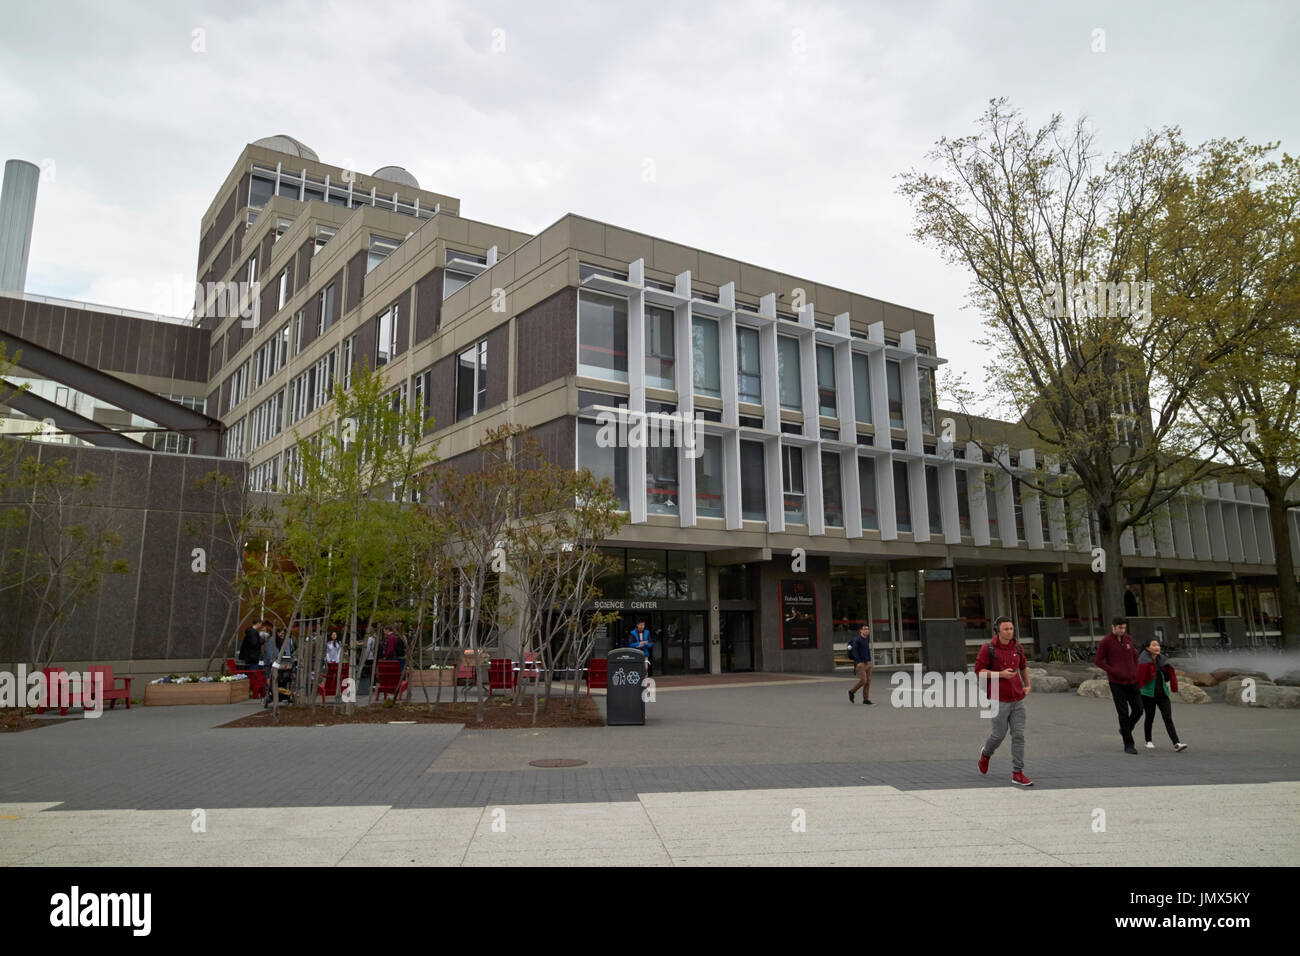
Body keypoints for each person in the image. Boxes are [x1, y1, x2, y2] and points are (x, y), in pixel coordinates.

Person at [975, 616, 1033, 787]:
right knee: (998, 735)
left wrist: (1028, 685)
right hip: (998, 699)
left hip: (1018, 699)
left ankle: (1017, 772)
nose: (1010, 632)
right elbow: (979, 671)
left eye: (1011, 628)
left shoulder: (1018, 648)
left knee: (1019, 736)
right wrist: (1001, 674)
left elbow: (1023, 667)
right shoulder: (988, 649)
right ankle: (986, 754)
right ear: (998, 631)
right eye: (1006, 629)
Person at [1096, 616, 1142, 754]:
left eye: (1124, 628)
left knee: (1139, 709)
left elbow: (1134, 655)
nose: (1122, 630)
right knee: (1123, 712)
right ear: (1113, 627)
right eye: (1120, 628)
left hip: (1132, 680)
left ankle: (1125, 729)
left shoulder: (1128, 639)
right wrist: (1112, 670)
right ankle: (1128, 744)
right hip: (1117, 682)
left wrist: (1134, 669)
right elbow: (1098, 660)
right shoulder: (1106, 642)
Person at [1137, 639, 1188, 752]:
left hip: (1162, 694)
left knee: (1168, 718)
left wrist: (1173, 685)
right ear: (1147, 648)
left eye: (1158, 645)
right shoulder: (1143, 661)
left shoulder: (1162, 660)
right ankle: (1148, 741)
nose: (1157, 647)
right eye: (1154, 645)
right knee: (1150, 717)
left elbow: (1169, 674)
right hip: (1148, 694)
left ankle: (1177, 743)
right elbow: (1139, 677)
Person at [847, 623, 874, 705]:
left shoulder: (867, 639)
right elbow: (855, 651)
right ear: (861, 630)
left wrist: (869, 661)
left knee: (868, 681)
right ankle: (851, 691)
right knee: (863, 680)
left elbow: (867, 650)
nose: (866, 630)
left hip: (867, 662)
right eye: (865, 629)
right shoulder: (857, 640)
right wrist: (859, 662)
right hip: (861, 663)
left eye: (867, 629)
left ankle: (865, 699)